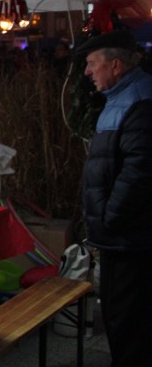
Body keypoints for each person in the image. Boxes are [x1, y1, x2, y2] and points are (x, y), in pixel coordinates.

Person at [76, 30, 152, 367]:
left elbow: (140, 171)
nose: (87, 72)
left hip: (130, 238)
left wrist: (108, 218)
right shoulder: (124, 97)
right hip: (122, 236)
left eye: (93, 64)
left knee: (128, 321)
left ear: (116, 65)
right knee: (124, 319)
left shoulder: (139, 100)